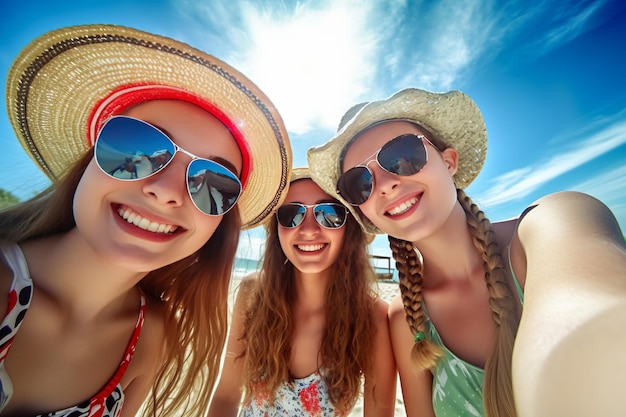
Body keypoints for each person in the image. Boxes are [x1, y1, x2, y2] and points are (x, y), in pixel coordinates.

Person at [0, 24, 291, 417]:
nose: (167, 191)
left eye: (213, 182)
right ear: (88, 162)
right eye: (139, 147)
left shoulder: (150, 336)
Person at [307, 88, 626, 417]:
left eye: (403, 156)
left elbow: (595, 325)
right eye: (360, 183)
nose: (385, 184)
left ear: (449, 161)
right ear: (365, 212)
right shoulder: (407, 320)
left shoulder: (552, 223)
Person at [207, 168, 397, 417]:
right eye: (291, 214)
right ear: (277, 230)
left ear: (349, 228)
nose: (308, 229)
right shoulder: (254, 295)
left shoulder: (373, 319)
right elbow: (226, 396)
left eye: (329, 214)